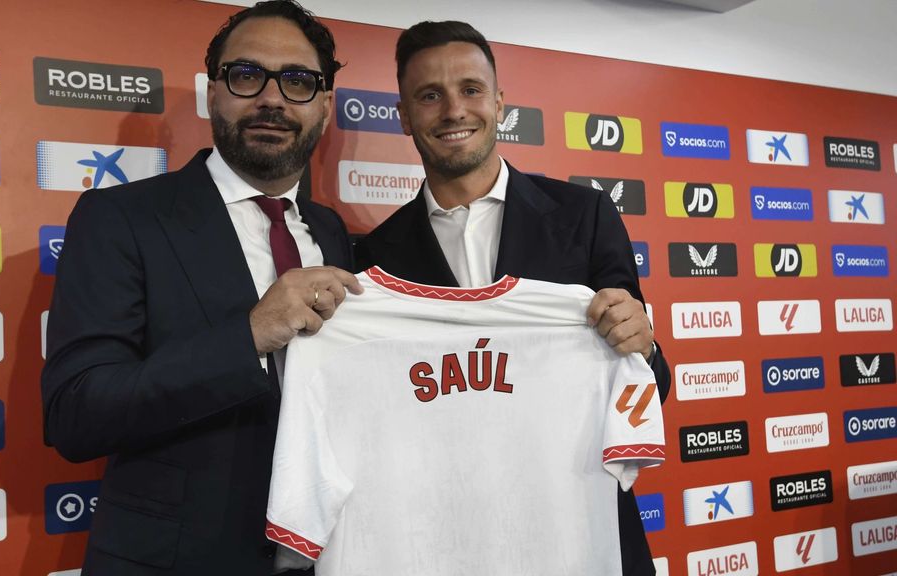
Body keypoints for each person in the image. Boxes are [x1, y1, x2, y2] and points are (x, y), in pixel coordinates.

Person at [41, 2, 359, 574]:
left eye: (298, 81)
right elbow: (75, 412)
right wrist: (250, 336)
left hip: (332, 555)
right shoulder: (120, 218)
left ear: (325, 106)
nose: (271, 98)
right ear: (213, 92)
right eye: (246, 76)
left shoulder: (332, 232)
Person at [354, 20, 671, 576]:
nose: (454, 110)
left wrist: (643, 350)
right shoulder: (374, 259)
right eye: (430, 96)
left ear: (500, 103)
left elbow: (650, 386)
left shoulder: (585, 217)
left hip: (581, 529)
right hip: (444, 541)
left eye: (471, 90)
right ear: (403, 116)